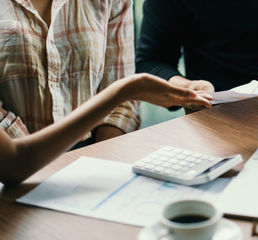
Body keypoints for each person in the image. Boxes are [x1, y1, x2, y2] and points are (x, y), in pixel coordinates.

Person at [0, 73, 212, 186]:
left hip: (86, 165)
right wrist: (128, 89)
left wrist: (100, 165)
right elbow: (12, 163)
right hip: (25, 182)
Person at [0, 0, 139, 145]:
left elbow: (121, 99)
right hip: (14, 158)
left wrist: (101, 158)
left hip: (92, 152)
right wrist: (30, 156)